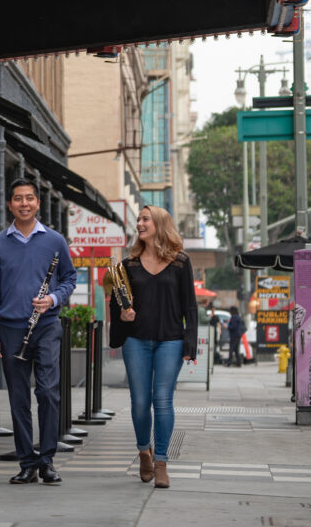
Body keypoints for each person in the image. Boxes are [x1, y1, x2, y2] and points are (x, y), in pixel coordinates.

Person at [0, 177, 76, 485]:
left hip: (46, 326)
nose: (24, 203)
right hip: (10, 330)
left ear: (37, 203)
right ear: (9, 204)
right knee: (19, 398)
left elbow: (69, 279)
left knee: (48, 392)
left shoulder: (54, 240)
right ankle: (26, 461)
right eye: (18, 199)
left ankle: (46, 459)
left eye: (30, 198)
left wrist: (52, 298)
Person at [109, 205, 197, 490]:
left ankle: (161, 462)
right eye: (138, 219)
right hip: (136, 340)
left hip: (170, 340)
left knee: (162, 400)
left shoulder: (181, 263)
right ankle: (143, 450)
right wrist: (123, 315)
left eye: (145, 219)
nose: (139, 223)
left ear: (160, 223)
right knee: (139, 401)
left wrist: (190, 343)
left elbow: (190, 306)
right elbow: (117, 304)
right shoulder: (128, 265)